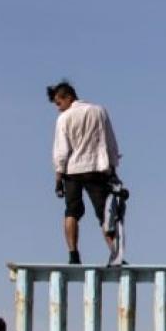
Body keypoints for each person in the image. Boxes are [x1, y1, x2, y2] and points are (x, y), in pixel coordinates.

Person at [48, 80, 122, 265]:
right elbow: (110, 143)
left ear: (68, 97)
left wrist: (58, 177)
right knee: (105, 215)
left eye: (59, 103)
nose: (58, 108)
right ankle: (116, 256)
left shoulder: (64, 118)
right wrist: (113, 169)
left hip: (72, 170)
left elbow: (61, 151)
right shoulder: (99, 111)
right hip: (96, 169)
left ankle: (73, 254)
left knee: (71, 212)